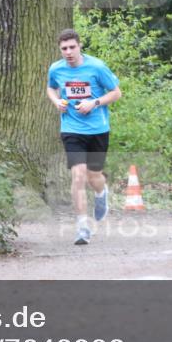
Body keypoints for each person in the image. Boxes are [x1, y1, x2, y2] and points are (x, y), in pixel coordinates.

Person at [47, 28, 122, 245]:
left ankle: (101, 193)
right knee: (78, 176)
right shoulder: (56, 69)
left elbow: (116, 93)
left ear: (80, 46)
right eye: (64, 49)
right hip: (71, 130)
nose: (68, 52)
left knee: (93, 176)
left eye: (72, 47)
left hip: (98, 130)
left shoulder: (97, 67)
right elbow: (51, 89)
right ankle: (82, 227)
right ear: (60, 50)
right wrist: (57, 102)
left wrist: (94, 102)